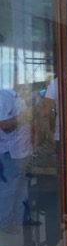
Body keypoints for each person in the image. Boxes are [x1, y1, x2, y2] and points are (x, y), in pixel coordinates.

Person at [38, 71, 67, 246]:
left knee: (62, 192)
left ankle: (54, 243)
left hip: (65, 140)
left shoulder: (58, 82)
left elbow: (44, 111)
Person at [0, 89, 32, 234]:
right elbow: (5, 125)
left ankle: (20, 220)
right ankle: (5, 223)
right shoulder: (4, 96)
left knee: (21, 189)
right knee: (9, 190)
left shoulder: (12, 95)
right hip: (12, 153)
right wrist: (26, 115)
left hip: (22, 151)